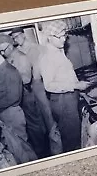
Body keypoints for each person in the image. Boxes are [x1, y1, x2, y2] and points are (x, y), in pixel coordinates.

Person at [33, 20, 91, 152]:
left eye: (65, 35)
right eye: (60, 36)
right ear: (49, 37)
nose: (64, 39)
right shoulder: (47, 57)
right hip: (63, 102)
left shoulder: (58, 51)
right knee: (72, 140)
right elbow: (49, 85)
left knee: (74, 135)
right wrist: (75, 86)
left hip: (67, 99)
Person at [0, 34, 50, 158]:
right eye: (0, 51)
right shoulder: (9, 58)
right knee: (27, 127)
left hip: (26, 96)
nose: (3, 53)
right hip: (18, 96)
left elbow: (26, 79)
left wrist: (10, 77)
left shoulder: (21, 57)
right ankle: (36, 150)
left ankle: (42, 152)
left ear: (10, 46)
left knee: (34, 125)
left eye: (4, 50)